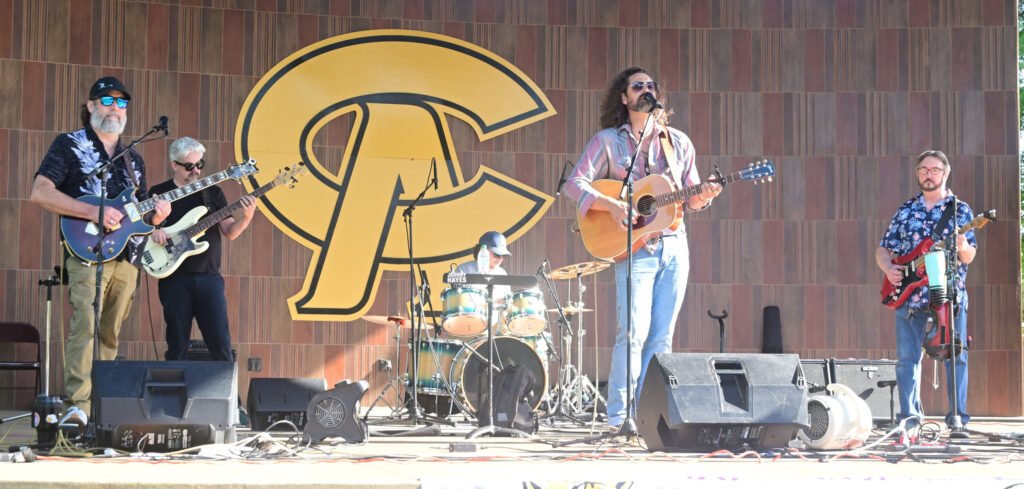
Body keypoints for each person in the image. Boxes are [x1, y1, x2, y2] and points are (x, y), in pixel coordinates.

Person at [562, 67, 721, 429]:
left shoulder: (678, 142)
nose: (647, 89)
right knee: (632, 333)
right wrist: (613, 205)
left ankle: (651, 414)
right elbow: (575, 184)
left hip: (674, 246)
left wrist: (706, 195)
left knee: (662, 335)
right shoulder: (607, 141)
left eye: (651, 86)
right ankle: (620, 416)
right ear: (625, 97)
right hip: (634, 248)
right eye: (639, 86)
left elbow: (691, 197)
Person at [30, 76, 171, 422]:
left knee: (110, 331)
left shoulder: (133, 160)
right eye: (107, 100)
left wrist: (156, 216)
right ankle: (78, 405)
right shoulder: (69, 144)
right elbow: (41, 192)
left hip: (126, 257)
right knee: (85, 325)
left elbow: (137, 215)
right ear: (90, 106)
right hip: (86, 252)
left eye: (122, 103)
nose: (115, 108)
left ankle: (101, 406)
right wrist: (93, 210)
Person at [876, 150, 976, 433]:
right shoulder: (906, 210)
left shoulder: (960, 210)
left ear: (945, 173)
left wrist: (962, 247)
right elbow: (884, 248)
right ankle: (910, 418)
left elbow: (969, 256)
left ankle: (957, 417)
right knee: (907, 359)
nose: (928, 174)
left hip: (948, 294)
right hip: (909, 295)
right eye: (923, 169)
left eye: (934, 169)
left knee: (955, 356)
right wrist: (887, 268)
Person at [148, 137, 257, 362]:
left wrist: (246, 217)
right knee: (177, 344)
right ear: (174, 164)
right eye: (189, 166)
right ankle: (174, 395)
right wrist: (154, 230)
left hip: (209, 277)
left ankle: (228, 397)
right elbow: (143, 227)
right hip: (174, 278)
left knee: (220, 343)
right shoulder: (159, 193)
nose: (196, 171)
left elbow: (230, 231)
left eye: (200, 164)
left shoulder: (212, 193)